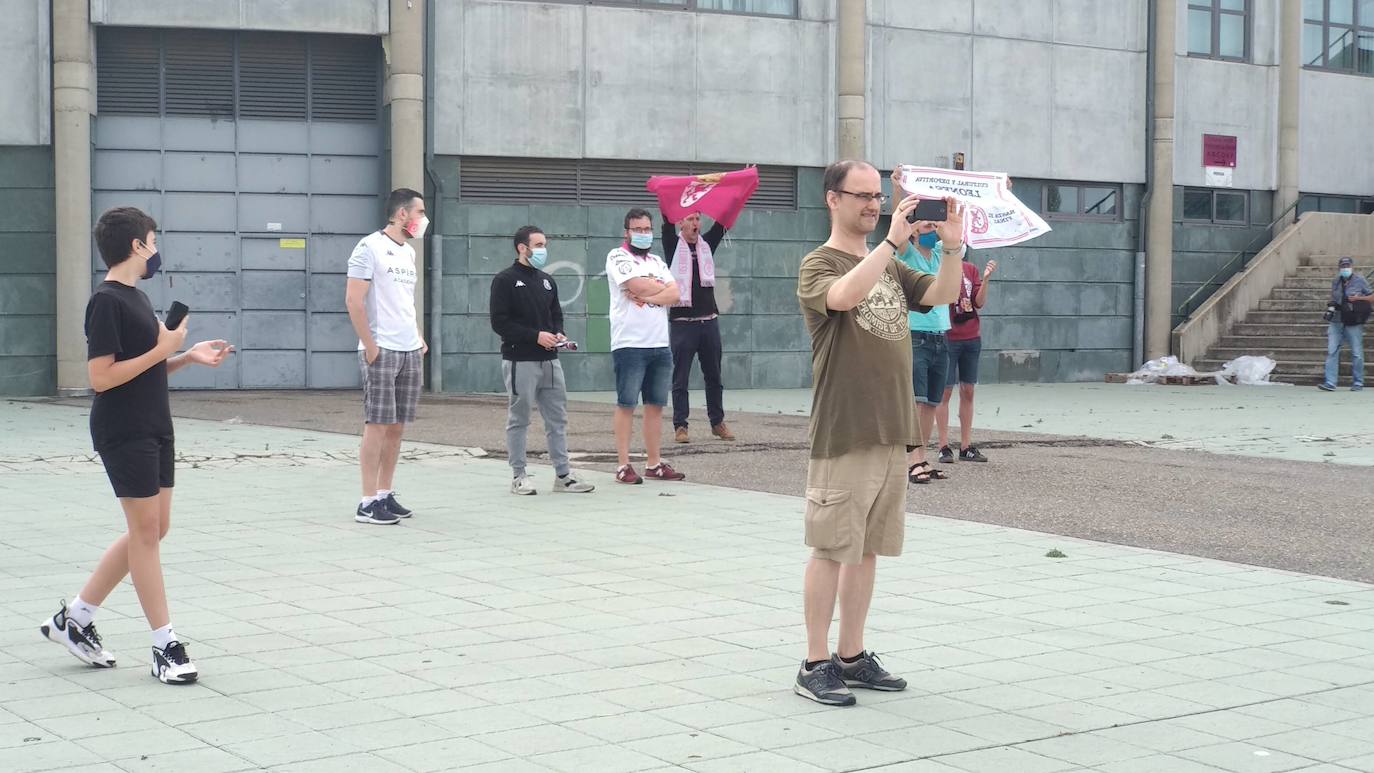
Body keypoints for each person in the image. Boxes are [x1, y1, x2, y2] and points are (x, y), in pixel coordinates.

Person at [39, 206, 233, 684]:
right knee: (145, 533)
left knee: (153, 529)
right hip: (123, 428)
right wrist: (163, 349)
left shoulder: (137, 299)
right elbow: (100, 378)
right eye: (152, 239)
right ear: (136, 246)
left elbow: (145, 367)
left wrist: (185, 356)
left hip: (155, 424)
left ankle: (75, 620)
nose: (156, 247)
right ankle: (164, 645)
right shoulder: (105, 301)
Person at [794, 161, 963, 706]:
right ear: (831, 199)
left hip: (892, 430)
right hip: (846, 429)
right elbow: (841, 297)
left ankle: (852, 654)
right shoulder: (819, 263)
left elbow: (941, 295)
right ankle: (814, 662)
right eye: (861, 195)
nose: (873, 204)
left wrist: (954, 246)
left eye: (877, 196)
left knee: (866, 549)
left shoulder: (888, 262)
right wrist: (890, 244)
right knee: (829, 546)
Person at [489, 225, 595, 495]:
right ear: (522, 248)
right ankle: (519, 475)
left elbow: (556, 314)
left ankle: (563, 475)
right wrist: (535, 336)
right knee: (519, 418)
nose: (542, 250)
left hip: (550, 362)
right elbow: (500, 323)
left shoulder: (547, 280)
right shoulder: (505, 280)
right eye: (537, 245)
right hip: (520, 360)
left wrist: (557, 332)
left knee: (557, 419)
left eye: (544, 245)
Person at [345, 188, 429, 524]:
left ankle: (384, 492)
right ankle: (366, 501)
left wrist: (418, 336)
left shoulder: (407, 252)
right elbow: (354, 300)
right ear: (402, 214)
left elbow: (404, 301)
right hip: (382, 349)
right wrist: (370, 345)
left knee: (397, 426)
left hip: (409, 348)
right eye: (420, 212)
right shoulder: (369, 247)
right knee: (377, 424)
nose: (423, 219)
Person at [606, 208, 687, 484]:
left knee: (655, 405)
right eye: (637, 229)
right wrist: (655, 289)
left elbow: (675, 293)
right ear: (626, 231)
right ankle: (623, 465)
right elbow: (633, 284)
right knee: (626, 403)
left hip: (660, 343)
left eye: (646, 229)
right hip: (630, 343)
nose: (643, 234)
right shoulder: (618, 256)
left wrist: (648, 288)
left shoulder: (656, 261)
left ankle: (654, 463)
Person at [662, 212, 735, 444]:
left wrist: (736, 195)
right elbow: (666, 219)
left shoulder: (706, 245)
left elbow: (723, 223)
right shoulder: (673, 245)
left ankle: (717, 422)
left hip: (709, 321)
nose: (695, 224)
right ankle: (680, 425)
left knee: (714, 375)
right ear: (680, 223)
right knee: (680, 377)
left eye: (697, 219)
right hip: (683, 324)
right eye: (690, 219)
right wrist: (669, 200)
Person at [895, 213, 952, 485]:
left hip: (941, 335)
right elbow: (899, 232)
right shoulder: (908, 256)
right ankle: (911, 460)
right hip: (916, 334)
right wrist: (896, 190)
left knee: (931, 402)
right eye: (927, 226)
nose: (932, 230)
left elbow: (958, 243)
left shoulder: (941, 254)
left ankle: (923, 457)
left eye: (934, 226)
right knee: (916, 402)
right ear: (915, 231)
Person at [936, 255, 998, 463]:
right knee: (944, 391)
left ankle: (966, 446)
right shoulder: (940, 266)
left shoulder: (970, 269)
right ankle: (943, 446)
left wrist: (986, 279)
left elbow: (978, 302)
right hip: (948, 336)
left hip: (971, 337)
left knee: (968, 390)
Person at [1319, 256, 1372, 392]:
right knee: (1332, 350)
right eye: (1343, 266)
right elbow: (1334, 298)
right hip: (1337, 319)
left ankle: (1358, 382)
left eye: (1347, 266)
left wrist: (1358, 298)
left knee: (1357, 352)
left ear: (1352, 267)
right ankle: (1330, 382)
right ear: (1339, 268)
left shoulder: (1360, 280)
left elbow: (1372, 296)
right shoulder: (1336, 281)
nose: (1345, 269)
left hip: (1353, 320)